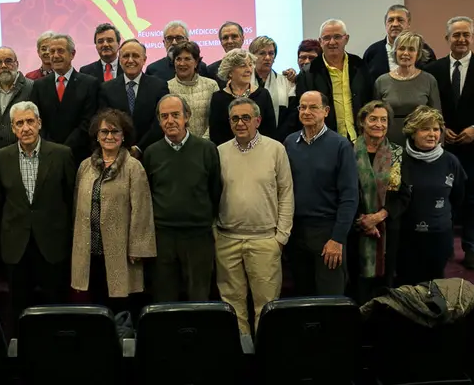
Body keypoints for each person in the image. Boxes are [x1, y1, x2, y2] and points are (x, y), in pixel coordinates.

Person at [423, 16, 474, 269]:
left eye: (465, 34)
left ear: (472, 37)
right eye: (456, 35)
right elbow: (429, 106)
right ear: (447, 38)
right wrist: (440, 128)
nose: (461, 39)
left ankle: (473, 249)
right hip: (443, 146)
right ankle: (445, 246)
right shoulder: (433, 70)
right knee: (443, 198)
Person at [0, 101, 75, 332]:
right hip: (16, 245)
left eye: (30, 121)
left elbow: (71, 199)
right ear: (13, 128)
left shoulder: (62, 154)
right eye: (19, 123)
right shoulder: (0, 158)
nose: (25, 128)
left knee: (55, 308)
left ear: (39, 123)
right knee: (19, 309)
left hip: (52, 244)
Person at [216, 98, 293, 334]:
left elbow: (286, 193)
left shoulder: (276, 149)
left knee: (267, 307)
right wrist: (215, 234)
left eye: (246, 118)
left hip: (265, 240)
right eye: (235, 118)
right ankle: (241, 352)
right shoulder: (219, 152)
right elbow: (210, 195)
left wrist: (281, 237)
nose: (240, 123)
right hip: (227, 241)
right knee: (232, 309)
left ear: (258, 121)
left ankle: (265, 353)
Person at [71, 109, 156, 314]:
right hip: (90, 251)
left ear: (123, 135)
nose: (109, 136)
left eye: (115, 131)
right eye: (104, 132)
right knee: (95, 307)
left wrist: (138, 249)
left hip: (121, 252)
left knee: (120, 308)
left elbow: (142, 211)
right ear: (96, 135)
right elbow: (76, 208)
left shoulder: (134, 167)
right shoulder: (85, 166)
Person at [144, 95, 222, 302]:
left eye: (175, 115)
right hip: (163, 237)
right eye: (164, 116)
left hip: (198, 236)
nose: (170, 121)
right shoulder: (151, 153)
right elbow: (148, 194)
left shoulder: (207, 149)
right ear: (159, 121)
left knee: (199, 297)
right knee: (164, 297)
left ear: (187, 116)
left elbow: (215, 190)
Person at [284, 91, 359, 296]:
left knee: (330, 297)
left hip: (328, 231)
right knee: (302, 295)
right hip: (296, 231)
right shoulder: (289, 143)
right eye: (302, 107)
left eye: (313, 107)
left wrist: (337, 238)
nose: (306, 112)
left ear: (326, 111)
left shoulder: (341, 145)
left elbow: (350, 196)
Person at [347, 101, 410, 304]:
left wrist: (378, 217)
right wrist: (363, 220)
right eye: (373, 119)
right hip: (355, 228)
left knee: (385, 286)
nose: (379, 124)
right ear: (362, 122)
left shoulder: (398, 153)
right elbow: (343, 191)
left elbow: (404, 194)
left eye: (384, 120)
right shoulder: (347, 151)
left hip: (388, 228)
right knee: (356, 285)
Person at [397, 106, 466, 285]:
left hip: (439, 235)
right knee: (406, 287)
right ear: (413, 132)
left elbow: (459, 197)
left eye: (436, 129)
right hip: (405, 236)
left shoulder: (451, 161)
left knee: (434, 287)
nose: (432, 134)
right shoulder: (399, 159)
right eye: (425, 129)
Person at [286, 19, 374, 142]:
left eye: (337, 37)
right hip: (325, 141)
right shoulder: (308, 73)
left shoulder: (360, 66)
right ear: (320, 41)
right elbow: (303, 111)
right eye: (326, 38)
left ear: (346, 39)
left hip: (360, 139)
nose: (332, 42)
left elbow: (369, 101)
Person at [28, 33, 100, 163]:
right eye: (52, 51)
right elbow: (36, 119)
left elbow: (88, 121)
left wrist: (65, 149)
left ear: (72, 54)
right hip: (48, 156)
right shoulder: (39, 85)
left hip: (79, 156)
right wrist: (51, 147)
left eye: (60, 51)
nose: (55, 56)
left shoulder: (89, 84)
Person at [100, 39, 170, 157]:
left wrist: (139, 148)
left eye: (136, 56)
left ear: (144, 59)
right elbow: (105, 123)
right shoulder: (106, 88)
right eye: (126, 56)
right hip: (117, 153)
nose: (130, 60)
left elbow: (160, 121)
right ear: (120, 60)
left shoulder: (159, 86)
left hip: (152, 152)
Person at [374, 31, 441, 144]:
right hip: (388, 143)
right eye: (401, 48)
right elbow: (375, 116)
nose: (405, 53)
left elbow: (437, 118)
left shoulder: (429, 80)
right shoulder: (381, 81)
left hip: (421, 143)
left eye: (411, 49)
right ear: (395, 51)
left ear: (418, 54)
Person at [209, 48, 276, 145]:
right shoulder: (218, 98)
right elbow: (215, 134)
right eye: (242, 66)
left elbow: (270, 131)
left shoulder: (263, 94)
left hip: (261, 149)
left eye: (250, 65)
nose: (249, 70)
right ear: (230, 72)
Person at [0, 46, 34, 156]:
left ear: (17, 64)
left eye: (8, 61)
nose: (3, 66)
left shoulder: (32, 87)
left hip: (23, 155)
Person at [363, 4, 437, 82]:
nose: (395, 24)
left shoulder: (423, 50)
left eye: (400, 20)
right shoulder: (372, 52)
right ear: (385, 24)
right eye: (391, 20)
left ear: (408, 23)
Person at [166, 41, 220, 138]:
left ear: (196, 62)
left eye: (187, 59)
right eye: (178, 59)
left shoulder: (211, 85)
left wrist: (203, 142)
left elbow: (216, 118)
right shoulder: (166, 87)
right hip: (178, 142)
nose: (182, 63)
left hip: (208, 143)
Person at [248, 36, 297, 134]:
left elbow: (291, 115)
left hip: (279, 137)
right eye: (262, 53)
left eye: (271, 53)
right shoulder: (244, 82)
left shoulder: (286, 81)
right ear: (252, 57)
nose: (267, 58)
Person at [145, 20, 210, 81]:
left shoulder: (201, 67)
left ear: (187, 41)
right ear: (164, 43)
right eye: (169, 38)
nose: (174, 42)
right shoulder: (153, 69)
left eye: (179, 38)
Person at [207, 21, 245, 86]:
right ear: (221, 42)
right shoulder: (211, 71)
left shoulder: (254, 66)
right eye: (225, 38)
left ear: (242, 39)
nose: (230, 41)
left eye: (234, 36)